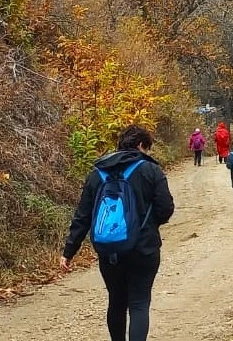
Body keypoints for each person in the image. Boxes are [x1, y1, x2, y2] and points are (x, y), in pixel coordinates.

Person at [61, 125, 175, 341]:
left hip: (110, 250)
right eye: (148, 148)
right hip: (144, 248)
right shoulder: (151, 170)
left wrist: (69, 251)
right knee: (139, 303)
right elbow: (165, 208)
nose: (148, 153)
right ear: (141, 145)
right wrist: (149, 224)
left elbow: (83, 216)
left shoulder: (98, 173)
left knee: (116, 301)